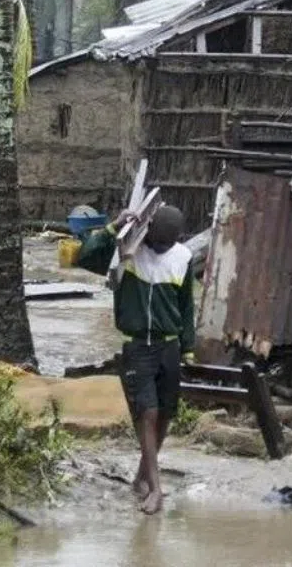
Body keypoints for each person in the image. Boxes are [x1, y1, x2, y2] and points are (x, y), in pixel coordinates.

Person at [76, 204, 194, 514]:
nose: (158, 248)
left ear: (176, 240)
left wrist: (188, 347)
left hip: (169, 347)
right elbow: (85, 256)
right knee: (148, 412)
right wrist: (114, 228)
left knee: (165, 414)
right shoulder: (127, 252)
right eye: (155, 241)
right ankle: (156, 489)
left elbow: (186, 306)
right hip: (138, 346)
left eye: (165, 244)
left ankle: (142, 477)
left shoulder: (183, 258)